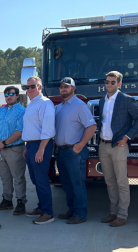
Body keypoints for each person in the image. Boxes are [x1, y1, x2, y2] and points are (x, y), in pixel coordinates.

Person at [98, 71, 138, 227]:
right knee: (109, 181)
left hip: (118, 145)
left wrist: (127, 137)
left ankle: (122, 215)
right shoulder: (102, 100)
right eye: (107, 82)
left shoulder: (125, 100)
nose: (109, 85)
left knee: (122, 181)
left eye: (112, 82)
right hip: (103, 145)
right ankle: (113, 212)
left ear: (119, 84)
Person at [55, 77, 97, 224]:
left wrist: (80, 145)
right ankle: (71, 210)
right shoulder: (59, 107)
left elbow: (91, 126)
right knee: (66, 183)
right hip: (61, 151)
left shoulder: (80, 105)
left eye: (66, 86)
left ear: (73, 88)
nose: (63, 89)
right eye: (61, 87)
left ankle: (80, 213)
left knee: (77, 183)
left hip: (74, 151)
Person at [21, 77, 56, 224]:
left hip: (41, 145)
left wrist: (41, 149)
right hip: (31, 145)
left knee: (41, 179)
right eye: (26, 87)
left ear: (40, 87)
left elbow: (47, 129)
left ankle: (48, 212)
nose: (29, 90)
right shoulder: (32, 104)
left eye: (32, 87)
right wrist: (27, 146)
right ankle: (41, 207)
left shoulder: (45, 103)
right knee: (35, 179)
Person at [0, 86, 27, 216]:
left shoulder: (22, 111)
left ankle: (21, 202)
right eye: (6, 95)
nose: (8, 96)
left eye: (11, 94)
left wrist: (4, 143)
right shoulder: (0, 111)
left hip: (15, 148)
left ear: (17, 95)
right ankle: (7, 200)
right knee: (4, 176)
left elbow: (20, 131)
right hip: (2, 150)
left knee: (18, 177)